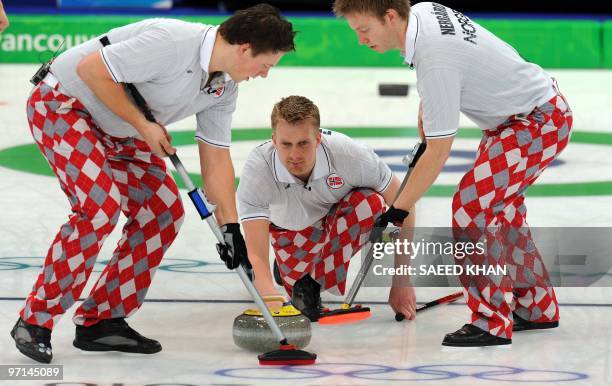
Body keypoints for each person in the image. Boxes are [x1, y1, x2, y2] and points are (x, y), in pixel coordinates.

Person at [11, 4, 295, 363]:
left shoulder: (224, 86)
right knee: (99, 210)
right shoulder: (174, 41)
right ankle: (34, 322)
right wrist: (143, 125)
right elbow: (92, 70)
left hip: (119, 126)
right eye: (265, 65)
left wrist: (230, 227)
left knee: (162, 210)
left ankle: (103, 319)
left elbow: (216, 157)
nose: (264, 74)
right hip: (65, 105)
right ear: (244, 49)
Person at [333, 0, 572, 347]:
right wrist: (430, 104)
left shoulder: (435, 57)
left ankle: (491, 321)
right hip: (523, 117)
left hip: (536, 122)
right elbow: (457, 63)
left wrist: (396, 211)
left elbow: (438, 151)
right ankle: (536, 307)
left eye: (364, 30)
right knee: (501, 211)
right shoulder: (424, 12)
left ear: (389, 17)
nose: (360, 40)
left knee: (471, 207)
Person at [237, 95, 417, 322]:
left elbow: (405, 205)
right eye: (286, 144)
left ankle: (311, 282)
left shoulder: (350, 155)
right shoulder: (257, 171)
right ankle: (290, 272)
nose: (294, 155)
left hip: (336, 225)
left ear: (318, 139)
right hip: (290, 232)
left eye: (303, 143)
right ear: (273, 140)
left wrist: (402, 280)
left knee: (370, 203)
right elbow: (256, 254)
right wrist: (273, 302)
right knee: (290, 291)